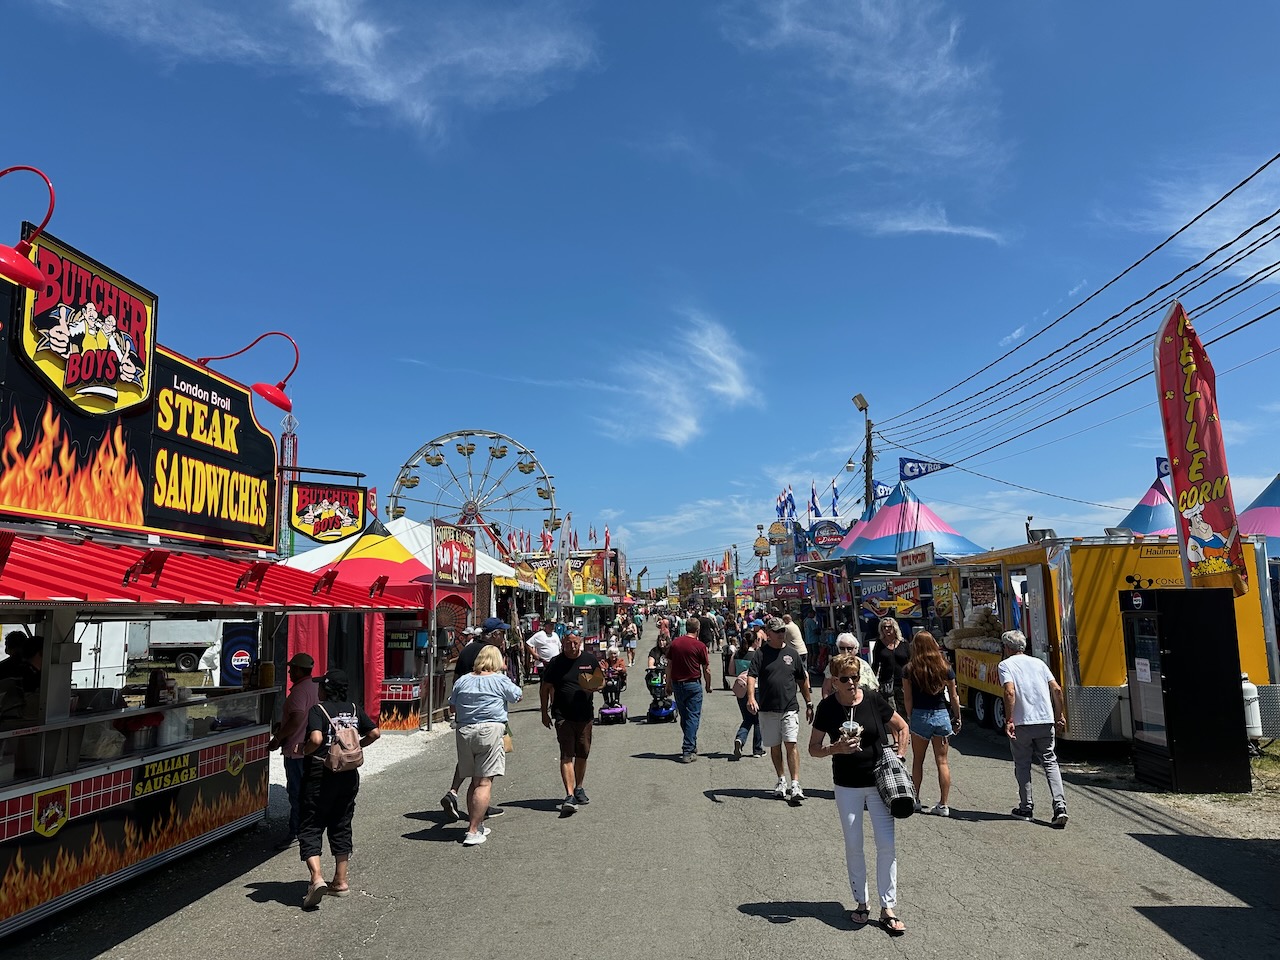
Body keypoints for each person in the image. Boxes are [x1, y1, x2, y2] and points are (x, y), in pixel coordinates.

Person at [810, 652, 910, 936]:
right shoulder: (828, 708)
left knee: (886, 845)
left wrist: (899, 757)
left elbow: (901, 727)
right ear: (835, 681)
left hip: (879, 782)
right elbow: (813, 747)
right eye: (846, 679)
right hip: (847, 784)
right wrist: (835, 749)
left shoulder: (872, 699)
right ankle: (862, 902)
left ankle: (887, 907)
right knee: (854, 845)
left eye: (855, 677)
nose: (852, 683)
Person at [299, 669, 379, 908]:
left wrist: (303, 751)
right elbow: (375, 733)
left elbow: (314, 739)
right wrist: (355, 750)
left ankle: (316, 878)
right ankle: (340, 881)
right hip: (348, 776)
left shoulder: (318, 710)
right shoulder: (354, 709)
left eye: (320, 685)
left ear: (326, 687)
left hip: (320, 775)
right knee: (341, 823)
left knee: (311, 824)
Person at [448, 645, 523, 846]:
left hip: (464, 731)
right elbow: (517, 696)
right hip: (490, 731)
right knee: (484, 782)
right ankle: (472, 831)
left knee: (473, 780)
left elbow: (452, 705)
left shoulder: (463, 680)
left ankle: (476, 824)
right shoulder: (499, 680)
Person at [441, 619, 510, 822]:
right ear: (494, 634)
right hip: (488, 714)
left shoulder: (467, 649)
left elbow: (457, 678)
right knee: (485, 767)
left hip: (465, 712)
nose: (504, 637)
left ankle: (453, 792)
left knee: (468, 758)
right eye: (502, 633)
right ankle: (480, 808)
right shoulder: (489, 653)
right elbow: (502, 683)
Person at [998, 630, 1069, 827]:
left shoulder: (1005, 665)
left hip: (1022, 722)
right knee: (1050, 762)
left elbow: (1009, 691)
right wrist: (1059, 714)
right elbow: (1057, 689)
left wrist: (1010, 719)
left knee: (1022, 763)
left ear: (1007, 648)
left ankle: (1026, 807)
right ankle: (1060, 806)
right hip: (1045, 720)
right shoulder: (1039, 663)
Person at [747, 617, 813, 802]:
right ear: (768, 634)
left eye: (783, 630)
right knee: (775, 747)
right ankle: (781, 780)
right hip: (767, 708)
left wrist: (809, 703)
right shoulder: (761, 654)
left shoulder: (792, 654)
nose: (781, 634)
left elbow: (802, 680)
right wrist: (751, 697)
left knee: (791, 743)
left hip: (789, 707)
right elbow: (752, 676)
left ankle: (795, 784)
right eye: (777, 631)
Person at [540, 631, 604, 814]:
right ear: (563, 643)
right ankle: (569, 795)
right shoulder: (556, 663)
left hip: (585, 715)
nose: (572, 647)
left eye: (575, 643)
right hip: (563, 715)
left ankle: (579, 787)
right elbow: (545, 689)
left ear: (581, 643)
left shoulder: (589, 660)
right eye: (569, 643)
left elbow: (601, 681)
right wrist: (544, 713)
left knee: (582, 753)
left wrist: (595, 685)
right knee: (566, 754)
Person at [901, 632, 961, 817]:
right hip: (942, 714)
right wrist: (957, 717)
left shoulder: (909, 669)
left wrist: (911, 717)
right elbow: (953, 696)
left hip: (920, 714)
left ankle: (916, 799)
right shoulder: (945, 667)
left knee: (917, 761)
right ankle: (943, 804)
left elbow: (908, 698)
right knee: (942, 761)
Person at [268, 652, 321, 850]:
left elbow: (298, 718)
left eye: (292, 668)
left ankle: (296, 832)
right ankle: (309, 830)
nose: (289, 671)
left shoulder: (298, 692)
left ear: (299, 670)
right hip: (310, 749)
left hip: (296, 751)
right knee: (309, 793)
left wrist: (279, 738)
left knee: (296, 793)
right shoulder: (315, 687)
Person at [665, 616, 712, 762]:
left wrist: (668, 683)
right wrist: (708, 685)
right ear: (698, 630)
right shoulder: (700, 646)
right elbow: (706, 669)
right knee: (693, 717)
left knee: (685, 717)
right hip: (693, 684)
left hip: (678, 684)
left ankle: (691, 744)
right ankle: (687, 749)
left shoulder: (675, 644)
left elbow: (669, 665)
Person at [731, 623, 764, 758]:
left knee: (747, 718)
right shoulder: (757, 655)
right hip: (755, 689)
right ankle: (757, 749)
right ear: (756, 641)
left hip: (740, 689)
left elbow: (731, 671)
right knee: (757, 719)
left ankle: (740, 739)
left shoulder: (737, 654)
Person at [871, 618, 910, 716]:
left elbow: (911, 662)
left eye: (889, 627)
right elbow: (875, 664)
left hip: (903, 682)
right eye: (884, 627)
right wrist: (872, 682)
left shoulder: (904, 643)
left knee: (905, 710)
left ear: (895, 628)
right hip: (886, 683)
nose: (887, 629)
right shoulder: (879, 644)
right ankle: (894, 731)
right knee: (891, 712)